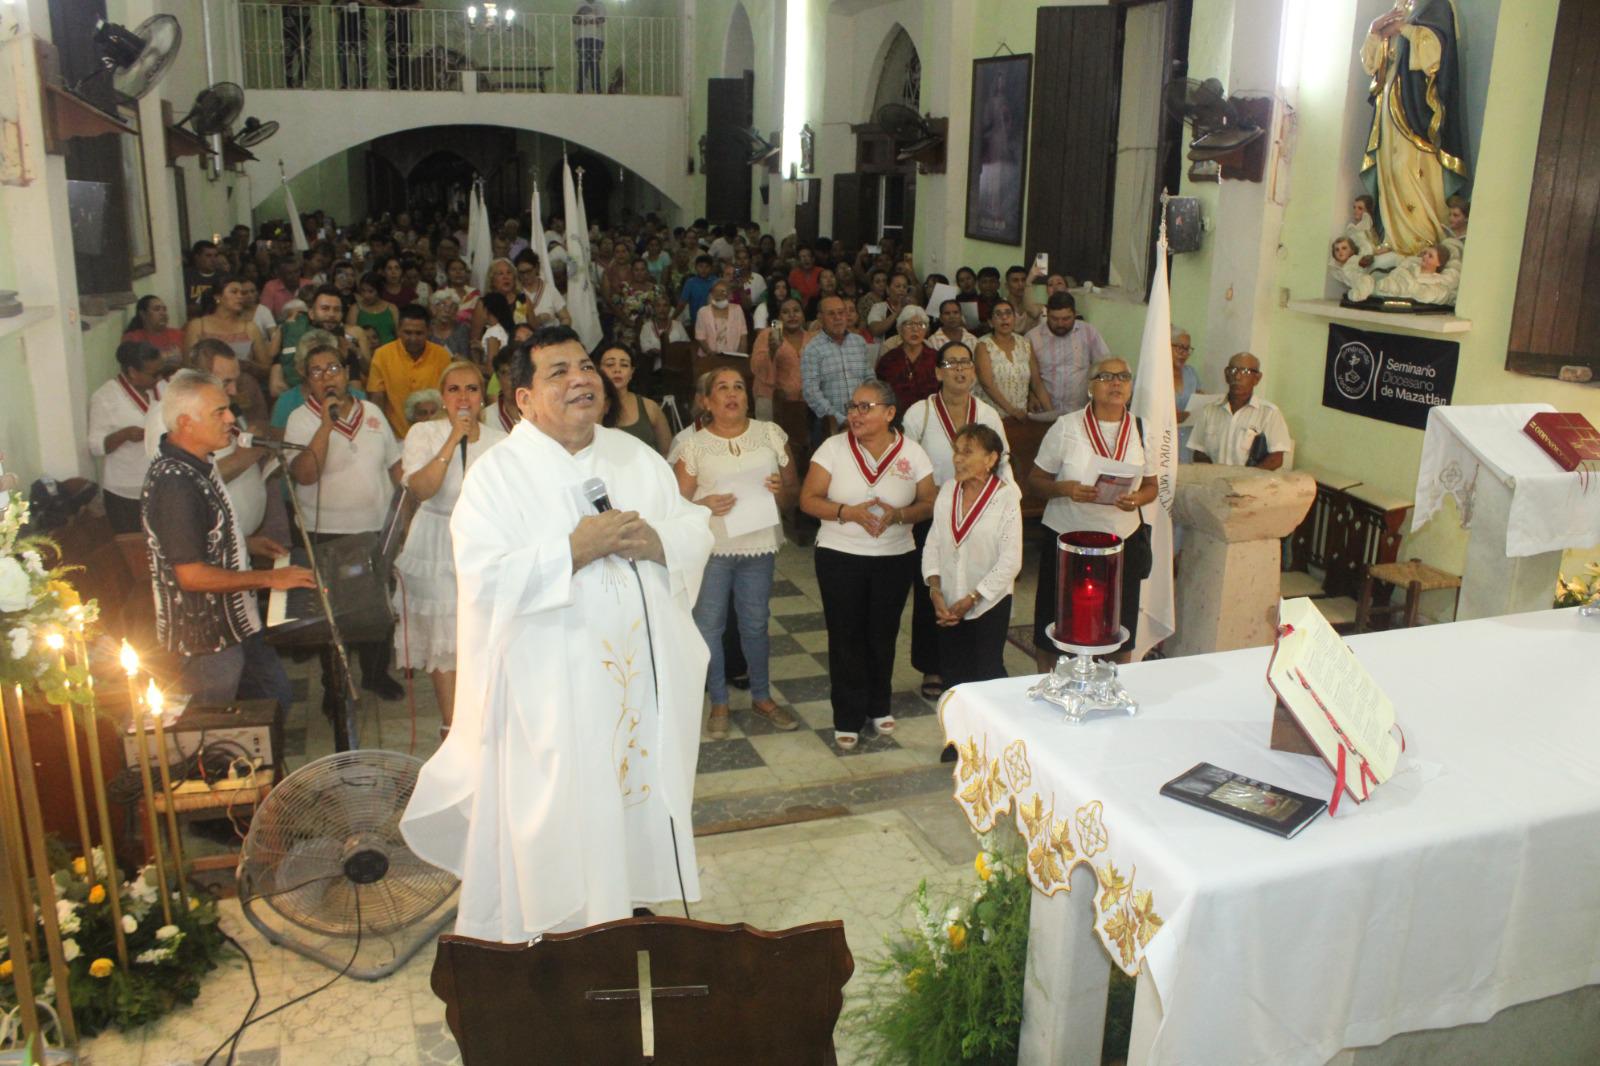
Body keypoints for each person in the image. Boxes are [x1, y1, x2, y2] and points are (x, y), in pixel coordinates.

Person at [399, 325, 713, 942]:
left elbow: (693, 526)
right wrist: (570, 551)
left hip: (634, 691)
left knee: (627, 796)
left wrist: (658, 540)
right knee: (558, 815)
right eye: (559, 372)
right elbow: (483, 579)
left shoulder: (635, 457)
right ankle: (551, 922)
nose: (582, 379)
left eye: (588, 367)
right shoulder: (499, 475)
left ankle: (620, 905)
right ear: (523, 399)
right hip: (549, 693)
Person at [141, 370, 312, 713]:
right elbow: (190, 575)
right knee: (211, 728)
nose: (231, 419)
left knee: (274, 700)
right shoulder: (176, 483)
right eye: (219, 412)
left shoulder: (199, 463)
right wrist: (269, 578)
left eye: (228, 409)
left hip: (235, 622)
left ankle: (261, 765)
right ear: (186, 423)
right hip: (206, 638)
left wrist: (245, 543)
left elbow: (199, 537)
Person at [798, 380, 936, 749]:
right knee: (846, 636)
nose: (855, 414)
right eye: (852, 407)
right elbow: (808, 500)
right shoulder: (833, 448)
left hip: (894, 556)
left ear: (890, 413)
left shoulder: (914, 453)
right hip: (839, 554)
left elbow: (929, 503)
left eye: (865, 407)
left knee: (883, 633)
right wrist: (848, 512)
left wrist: (900, 514)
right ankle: (847, 714)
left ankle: (879, 703)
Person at [674, 368, 800, 740]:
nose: (732, 394)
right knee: (710, 626)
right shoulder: (693, 446)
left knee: (756, 623)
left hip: (758, 545)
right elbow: (677, 506)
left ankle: (762, 696)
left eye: (739, 387)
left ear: (748, 396)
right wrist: (704, 503)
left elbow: (793, 492)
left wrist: (780, 490)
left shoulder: (770, 435)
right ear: (706, 401)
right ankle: (718, 702)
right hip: (713, 549)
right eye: (722, 388)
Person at [285, 339, 405, 708]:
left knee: (376, 608)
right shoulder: (299, 419)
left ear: (348, 374)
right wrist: (325, 425)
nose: (327, 378)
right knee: (330, 616)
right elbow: (304, 475)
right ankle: (334, 686)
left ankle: (374, 674)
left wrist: (405, 514)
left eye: (333, 369)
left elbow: (395, 466)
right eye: (317, 372)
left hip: (374, 528)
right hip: (327, 533)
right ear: (307, 381)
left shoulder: (372, 412)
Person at [393, 362, 507, 735]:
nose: (463, 398)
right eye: (454, 389)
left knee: (483, 636)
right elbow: (421, 489)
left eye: (472, 389)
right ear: (443, 397)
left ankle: (483, 725)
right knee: (445, 639)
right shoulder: (423, 433)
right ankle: (451, 729)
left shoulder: (499, 441)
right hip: (436, 540)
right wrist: (451, 441)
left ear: (483, 397)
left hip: (483, 544)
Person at [1026, 358, 1159, 666]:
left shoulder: (1142, 428)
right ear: (1090, 387)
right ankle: (1047, 680)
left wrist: (1138, 498)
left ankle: (1116, 681)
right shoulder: (1067, 426)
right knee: (1056, 616)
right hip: (1067, 537)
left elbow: (1151, 486)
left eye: (1123, 377)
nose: (1116, 383)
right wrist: (1066, 489)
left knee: (1118, 620)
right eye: (1107, 376)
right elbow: (1035, 481)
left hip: (1120, 540)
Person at [901, 341, 1010, 698]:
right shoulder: (921, 412)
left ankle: (978, 657)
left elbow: (1003, 460)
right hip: (933, 505)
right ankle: (934, 664)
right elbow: (907, 459)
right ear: (937, 372)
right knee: (932, 586)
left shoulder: (987, 413)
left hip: (980, 506)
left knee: (975, 576)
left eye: (965, 364)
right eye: (951, 364)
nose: (959, 370)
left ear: (974, 372)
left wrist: (1006, 499)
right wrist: (925, 491)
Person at [922, 422, 1022, 709]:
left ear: (991, 459)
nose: (957, 458)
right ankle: (957, 742)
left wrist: (974, 597)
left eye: (967, 452)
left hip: (988, 603)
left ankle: (993, 741)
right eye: (956, 450)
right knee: (953, 676)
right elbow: (934, 543)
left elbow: (1011, 560)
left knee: (986, 673)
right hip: (949, 600)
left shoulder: (1006, 498)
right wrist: (936, 591)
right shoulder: (949, 491)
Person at [1360, 0, 1468, 256]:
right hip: (1389, 104)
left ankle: (1423, 242)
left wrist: (1404, 29)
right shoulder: (1400, 6)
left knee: (1410, 170)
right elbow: (1372, 66)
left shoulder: (1436, 5)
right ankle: (1393, 240)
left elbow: (1437, 55)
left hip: (1416, 110)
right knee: (1390, 172)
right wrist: (1374, 32)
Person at [89, 341, 166, 532]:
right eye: (153, 374)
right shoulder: (106, 397)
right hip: (126, 490)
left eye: (160, 372)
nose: (159, 378)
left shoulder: (162, 388)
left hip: (163, 484)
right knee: (134, 549)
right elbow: (96, 446)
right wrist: (125, 434)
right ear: (132, 372)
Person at [1189, 352, 1293, 470]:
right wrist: (1214, 475)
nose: (1237, 377)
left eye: (1245, 372)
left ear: (1257, 378)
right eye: (1233, 370)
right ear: (1226, 375)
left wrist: (1246, 479)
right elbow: (1199, 451)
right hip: (1215, 483)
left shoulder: (1269, 413)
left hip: (1249, 485)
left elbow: (1276, 459)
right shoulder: (1209, 411)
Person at [367, 303, 453, 438]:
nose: (413, 338)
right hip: (396, 437)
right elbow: (377, 399)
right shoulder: (382, 355)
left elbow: (448, 398)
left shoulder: (442, 355)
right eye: (408, 333)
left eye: (419, 333)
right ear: (398, 330)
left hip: (436, 435)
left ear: (429, 331)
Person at [801, 295, 873, 444]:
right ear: (820, 319)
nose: (838, 318)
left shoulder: (859, 343)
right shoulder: (812, 349)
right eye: (831, 314)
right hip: (829, 423)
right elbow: (811, 392)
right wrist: (841, 420)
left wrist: (865, 412)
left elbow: (870, 381)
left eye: (841, 312)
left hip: (864, 417)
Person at [1026, 291, 1108, 414]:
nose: (1060, 324)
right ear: (1047, 314)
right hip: (1044, 411)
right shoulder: (1032, 337)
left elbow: (1104, 368)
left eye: (1066, 319)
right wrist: (1030, 395)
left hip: (1080, 411)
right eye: (1054, 319)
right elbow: (1025, 377)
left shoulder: (1089, 332)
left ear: (1075, 314)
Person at [974, 299, 1047, 420]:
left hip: (1021, 415)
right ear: (991, 322)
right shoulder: (983, 345)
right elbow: (987, 384)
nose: (1004, 318)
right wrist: (1012, 411)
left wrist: (1051, 413)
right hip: (991, 415)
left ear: (1014, 319)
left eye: (1008, 313)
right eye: (998, 314)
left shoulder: (1025, 343)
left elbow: (1036, 382)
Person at [598, 345, 672, 455]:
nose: (617, 370)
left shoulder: (649, 407)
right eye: (610, 364)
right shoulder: (590, 408)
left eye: (624, 365)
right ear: (598, 370)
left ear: (631, 372)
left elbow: (668, 454)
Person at [750, 296, 810, 421]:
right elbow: (756, 368)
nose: (792, 315)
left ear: (803, 316)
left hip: (802, 403)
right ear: (778, 318)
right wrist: (772, 351)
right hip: (769, 398)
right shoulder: (767, 335)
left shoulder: (811, 338)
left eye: (796, 311)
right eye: (785, 312)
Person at [874, 306, 941, 412]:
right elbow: (879, 394)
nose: (915, 329)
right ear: (900, 329)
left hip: (931, 416)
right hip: (895, 418)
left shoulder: (936, 358)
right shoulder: (888, 360)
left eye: (921, 325)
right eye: (909, 324)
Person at [122, 295, 185, 368]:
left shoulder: (179, 334)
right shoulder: (132, 338)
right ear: (143, 314)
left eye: (164, 309)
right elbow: (133, 367)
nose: (163, 313)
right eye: (157, 309)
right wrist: (164, 358)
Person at [1171, 326, 1203, 461]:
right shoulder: (1153, 373)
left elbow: (1200, 399)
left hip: (1186, 442)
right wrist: (1170, 417)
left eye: (1187, 349)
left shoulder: (1191, 374)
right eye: (1179, 347)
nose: (1184, 353)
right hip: (1163, 441)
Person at [694, 280, 749, 358]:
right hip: (709, 358)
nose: (720, 295)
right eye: (716, 292)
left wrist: (741, 356)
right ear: (712, 294)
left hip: (733, 357)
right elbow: (700, 337)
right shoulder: (703, 312)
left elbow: (743, 335)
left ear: (730, 295)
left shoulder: (737, 309)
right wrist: (711, 354)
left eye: (724, 292)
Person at [347, 271, 400, 347]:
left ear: (379, 291)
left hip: (390, 354)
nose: (366, 295)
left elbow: (399, 335)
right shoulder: (355, 309)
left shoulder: (392, 308)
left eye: (370, 291)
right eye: (363, 291)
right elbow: (349, 337)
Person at [260, 254, 310, 322]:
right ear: (280, 275)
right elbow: (264, 315)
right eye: (289, 273)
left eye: (296, 272)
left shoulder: (309, 284)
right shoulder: (271, 287)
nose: (294, 276)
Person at [427, 290, 472, 360]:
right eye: (442, 305)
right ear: (433, 309)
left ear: (456, 311)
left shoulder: (462, 329)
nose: (447, 310)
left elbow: (465, 358)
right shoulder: (426, 328)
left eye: (452, 306)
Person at [574, 1, 607, 93]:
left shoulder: (600, 5)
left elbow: (602, 19)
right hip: (582, 37)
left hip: (597, 38)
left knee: (595, 63)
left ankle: (597, 89)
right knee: (583, 63)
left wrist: (586, 21)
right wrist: (590, 21)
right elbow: (574, 19)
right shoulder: (579, 4)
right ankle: (581, 89)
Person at [184, 240, 224, 316]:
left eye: (215, 256)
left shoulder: (224, 277)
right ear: (197, 257)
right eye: (208, 256)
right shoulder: (186, 277)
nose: (213, 260)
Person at [676, 254, 717, 323]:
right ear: (695, 267)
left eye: (707, 266)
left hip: (714, 321)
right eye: (700, 266)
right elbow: (682, 304)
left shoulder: (717, 282)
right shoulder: (690, 283)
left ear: (711, 268)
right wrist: (672, 318)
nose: (703, 269)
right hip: (696, 322)